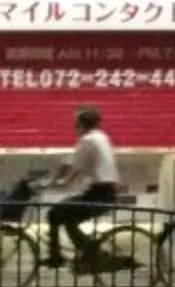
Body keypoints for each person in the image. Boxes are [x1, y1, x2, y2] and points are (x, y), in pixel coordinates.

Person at [41, 105, 123, 273]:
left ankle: (56, 257)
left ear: (81, 124)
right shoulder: (101, 137)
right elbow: (71, 162)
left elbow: (74, 167)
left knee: (54, 214)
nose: (74, 126)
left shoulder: (87, 140)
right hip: (106, 192)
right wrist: (59, 179)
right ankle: (88, 255)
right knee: (69, 218)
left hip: (99, 192)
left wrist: (60, 184)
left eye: (75, 122)